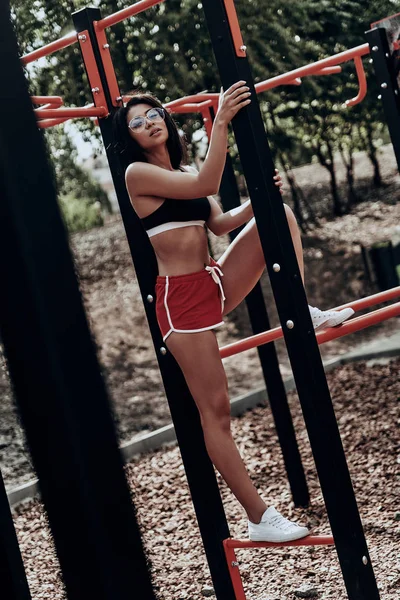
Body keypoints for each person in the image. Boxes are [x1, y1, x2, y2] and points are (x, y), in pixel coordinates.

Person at [113, 81, 354, 542]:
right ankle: (259, 517)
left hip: (213, 282)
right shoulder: (136, 175)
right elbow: (206, 182)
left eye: (153, 114)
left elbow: (220, 225)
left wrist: (258, 197)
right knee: (217, 410)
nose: (148, 123)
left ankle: (300, 309)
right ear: (132, 138)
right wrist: (220, 120)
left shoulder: (181, 169)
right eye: (137, 123)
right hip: (180, 303)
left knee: (278, 214)